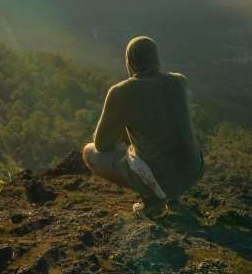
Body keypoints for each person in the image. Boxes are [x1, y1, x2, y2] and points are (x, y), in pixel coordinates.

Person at [82, 35, 204, 216]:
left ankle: (151, 200)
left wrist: (122, 126)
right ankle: (172, 197)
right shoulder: (179, 81)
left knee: (89, 152)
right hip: (193, 169)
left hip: (159, 177)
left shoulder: (121, 92)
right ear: (157, 58)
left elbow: (102, 145)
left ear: (129, 61)